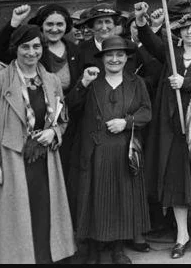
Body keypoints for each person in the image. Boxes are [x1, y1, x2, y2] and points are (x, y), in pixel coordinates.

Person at [135, 5, 191, 259]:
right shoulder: (171, 55)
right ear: (179, 33)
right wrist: (142, 22)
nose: (189, 32)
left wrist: (187, 84)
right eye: (185, 28)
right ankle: (182, 236)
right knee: (176, 182)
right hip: (173, 129)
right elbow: (149, 42)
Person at [0, 24, 76, 263]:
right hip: (13, 160)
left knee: (45, 212)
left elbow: (62, 118)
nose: (31, 52)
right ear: (15, 49)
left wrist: (54, 133)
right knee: (18, 216)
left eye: (36, 46)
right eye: (25, 47)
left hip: (45, 159)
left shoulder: (51, 80)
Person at [66, 36, 152, 264]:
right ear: (102, 58)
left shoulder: (136, 82)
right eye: (109, 55)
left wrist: (127, 122)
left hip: (124, 152)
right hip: (95, 150)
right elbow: (68, 107)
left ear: (126, 58)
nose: (114, 59)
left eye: (119, 55)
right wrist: (82, 83)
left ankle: (118, 248)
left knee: (122, 198)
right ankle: (93, 247)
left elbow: (147, 111)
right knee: (94, 197)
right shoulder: (91, 80)